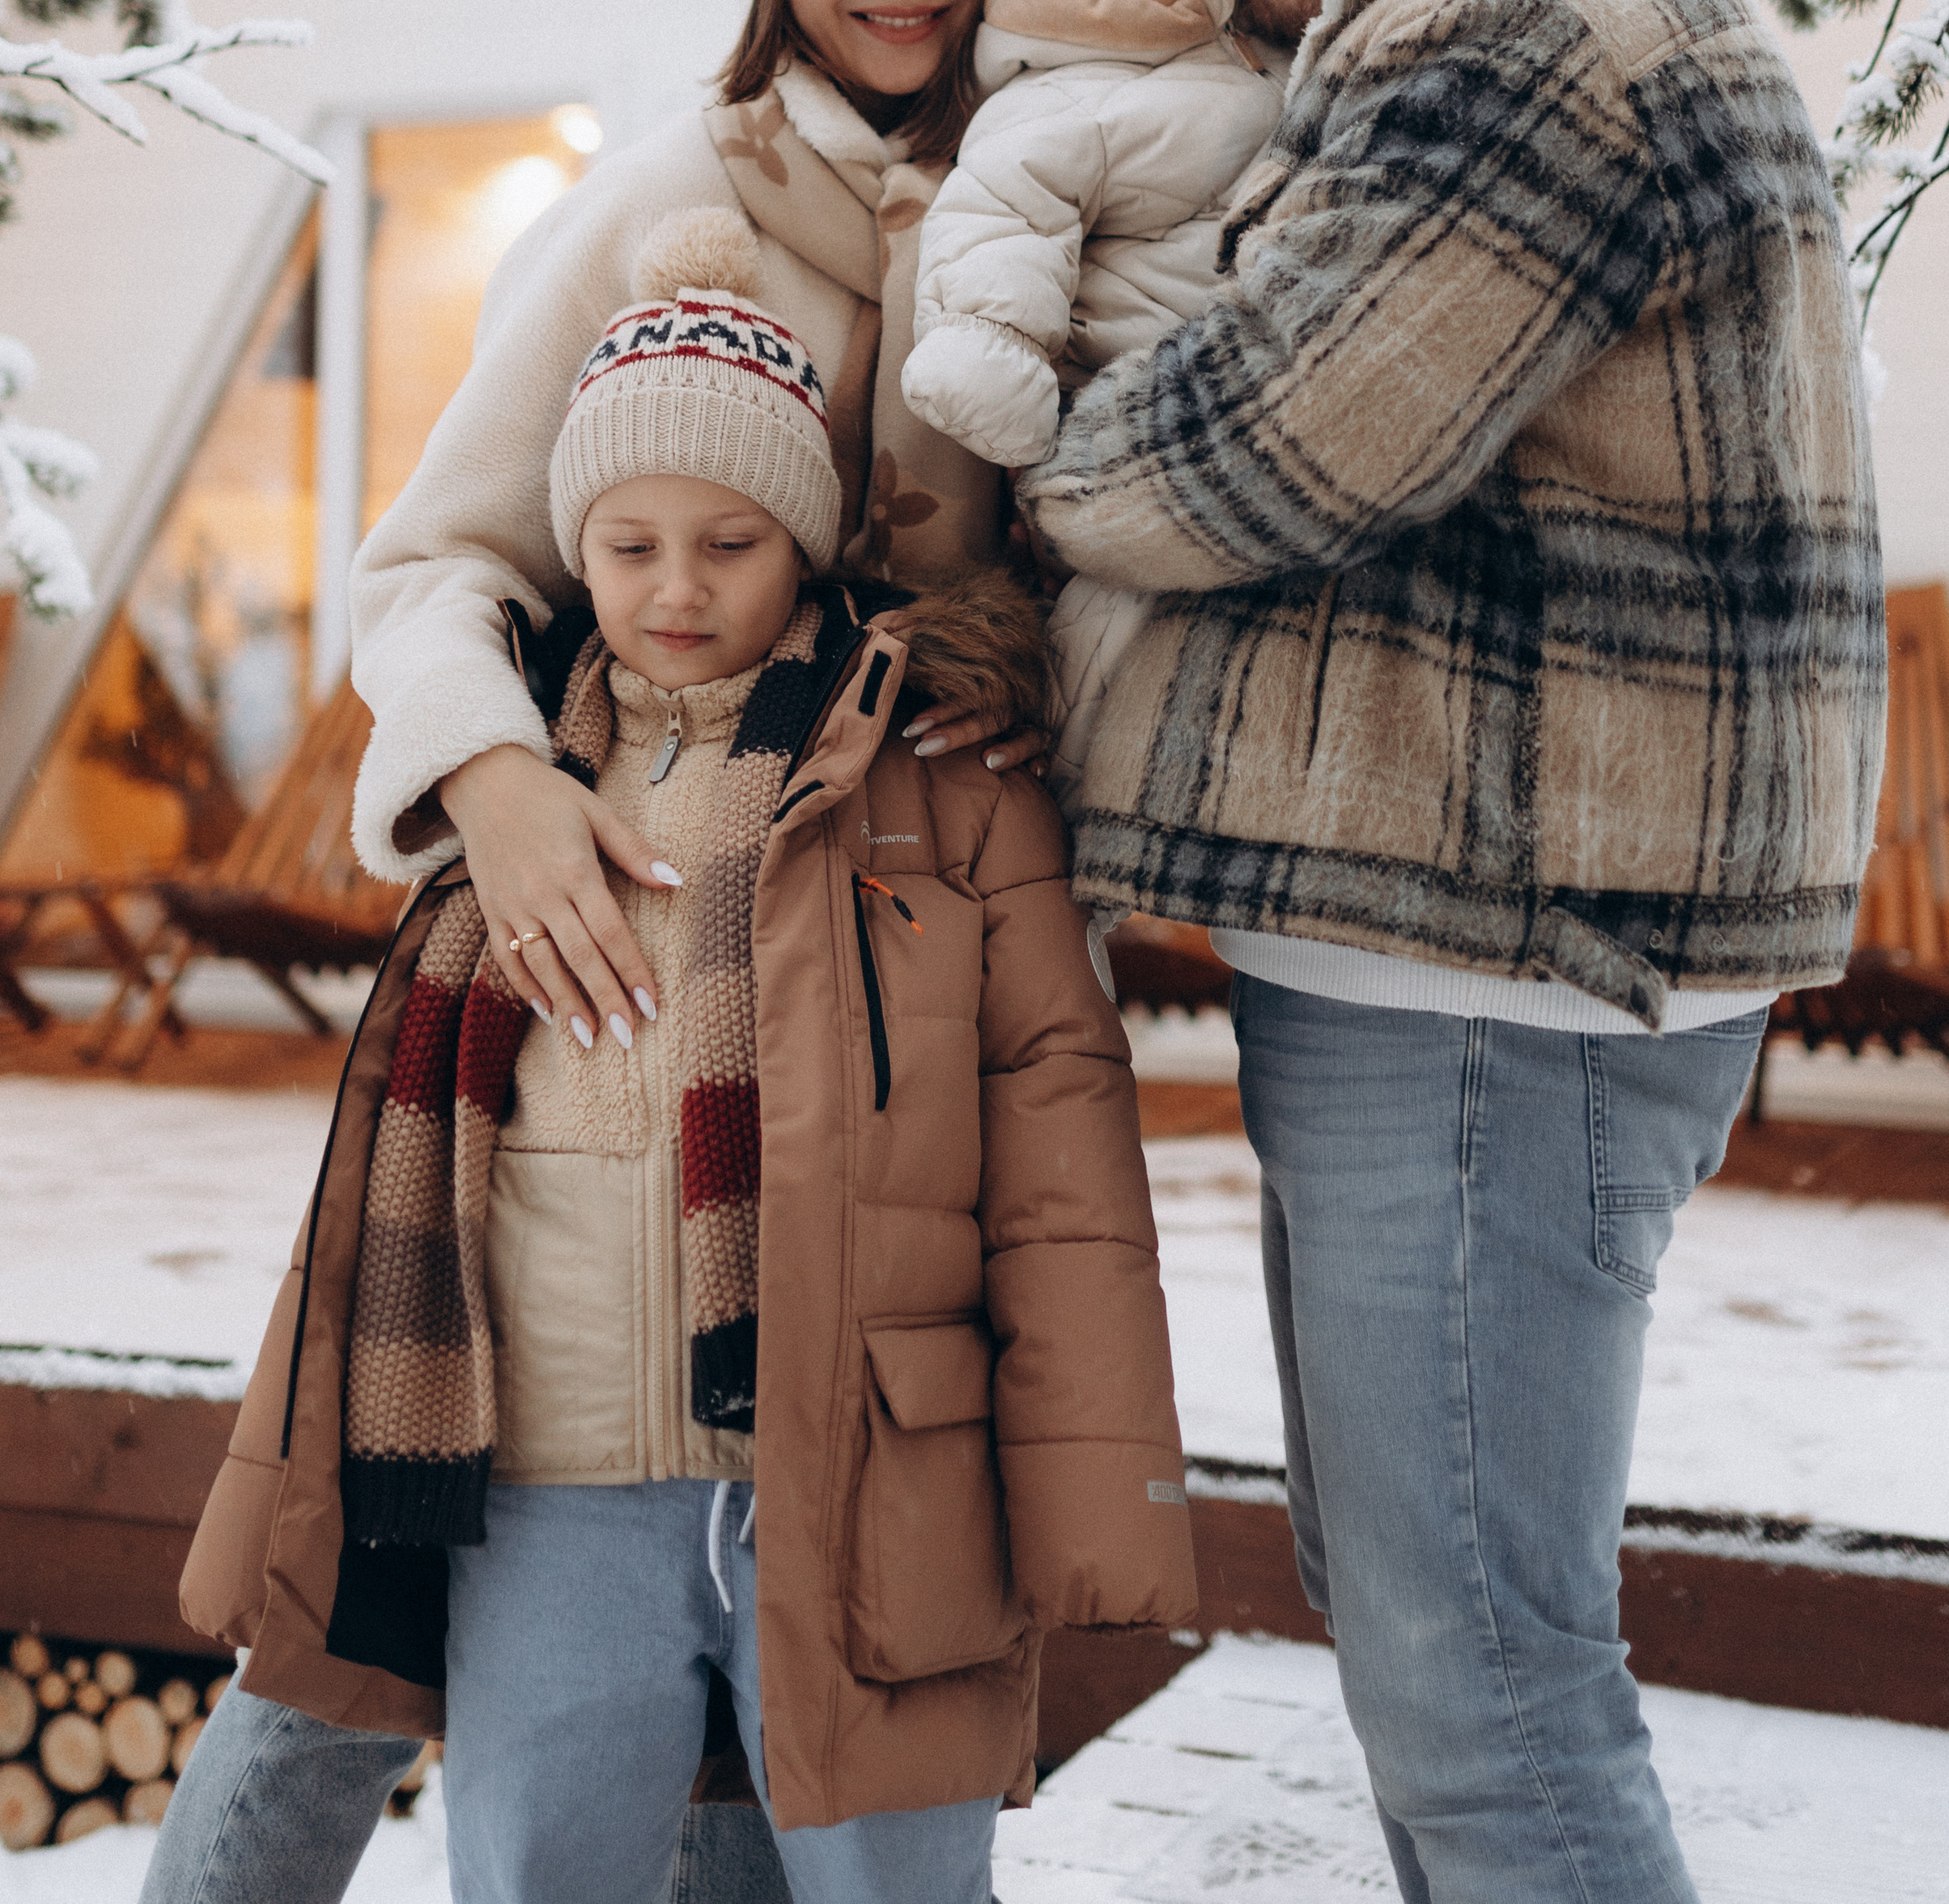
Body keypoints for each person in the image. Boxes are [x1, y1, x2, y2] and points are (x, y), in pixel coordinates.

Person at [146, 0, 1051, 1904]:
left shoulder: (1045, 185)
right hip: (612, 908)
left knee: (794, 1633)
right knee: (365, 1610)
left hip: (871, 963)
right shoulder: (683, 188)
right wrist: (500, 789)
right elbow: (434, 555)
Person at [1018, 0, 1887, 1904]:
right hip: (1489, 957)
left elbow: (1253, 451)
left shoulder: (1525, 28)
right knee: (1440, 1647)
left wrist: (1023, 457)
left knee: (1479, 1686)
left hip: (1500, 978)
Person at [174, 214, 1195, 1904]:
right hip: (551, 1483)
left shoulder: (939, 790)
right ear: (577, 551)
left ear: (802, 545)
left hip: (867, 1475)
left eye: (729, 539)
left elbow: (1062, 1168)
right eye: (628, 543)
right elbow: (385, 1193)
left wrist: (1097, 1494)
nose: (675, 587)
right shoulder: (500, 804)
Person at [901, 0, 1287, 808]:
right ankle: (1081, 829)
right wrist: (990, 346)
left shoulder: (1276, 55)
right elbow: (1002, 208)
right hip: (1126, 407)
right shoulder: (1063, 82)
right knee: (1110, 639)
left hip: (1263, 401)